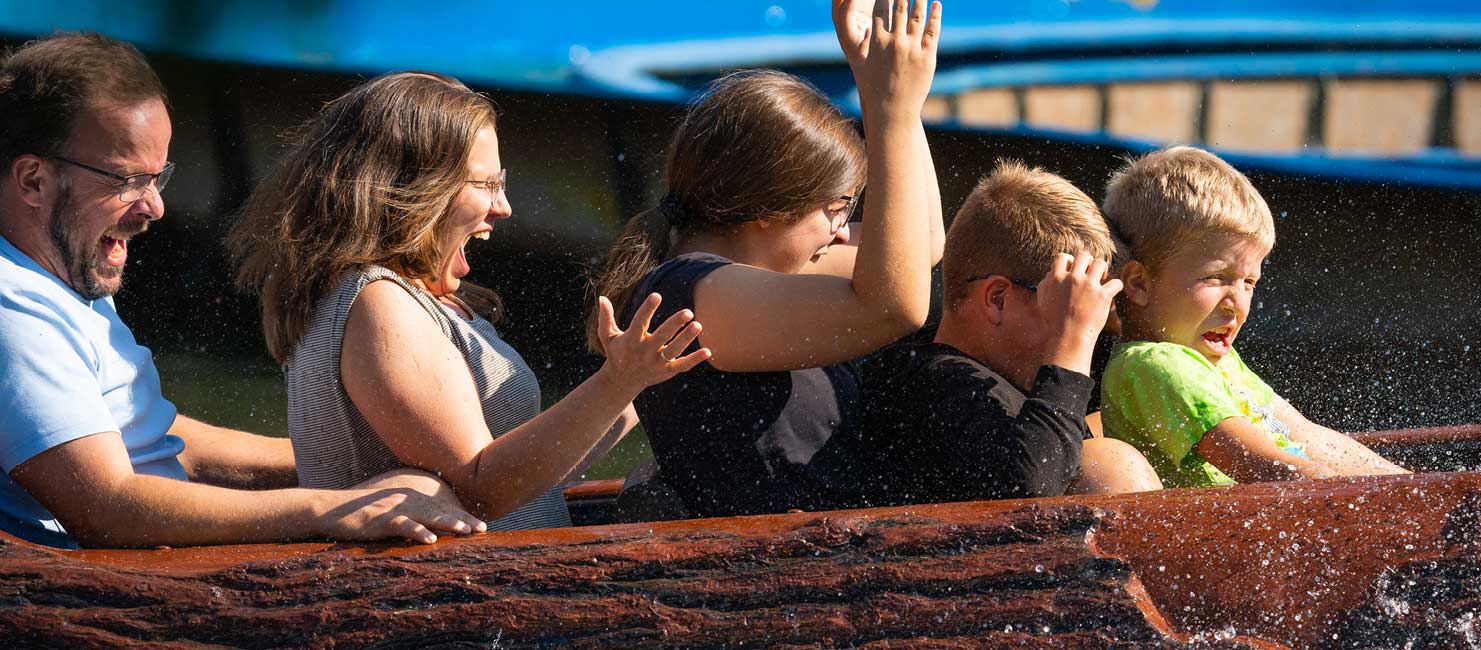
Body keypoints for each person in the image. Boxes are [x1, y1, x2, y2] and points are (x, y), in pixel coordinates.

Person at [0, 32, 485, 549]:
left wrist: (345, 466)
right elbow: (107, 506)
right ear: (33, 181)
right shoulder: (15, 309)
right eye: (127, 181)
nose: (155, 207)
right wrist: (335, 506)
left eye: (157, 177)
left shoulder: (60, 268)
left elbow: (157, 443)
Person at [229, 72, 710, 530]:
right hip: (460, 600)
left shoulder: (407, 296)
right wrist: (616, 382)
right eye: (485, 184)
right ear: (411, 189)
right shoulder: (380, 306)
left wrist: (640, 379)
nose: (504, 207)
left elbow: (530, 477)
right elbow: (483, 486)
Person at [589, 0, 945, 518]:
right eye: (836, 210)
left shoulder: (758, 269)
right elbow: (896, 305)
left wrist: (892, 100)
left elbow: (920, 244)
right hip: (777, 582)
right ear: (765, 209)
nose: (843, 231)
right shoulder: (688, 298)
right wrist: (890, 110)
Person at [1098, 146, 1411, 488]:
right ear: (1139, 283)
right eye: (1216, 278)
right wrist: (1384, 501)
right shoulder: (1154, 366)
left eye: (1248, 282)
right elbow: (1262, 467)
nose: (1237, 304)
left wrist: (1415, 486)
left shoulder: (1214, 359)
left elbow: (1310, 438)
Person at [854, 161, 1162, 507]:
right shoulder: (935, 380)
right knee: (1110, 462)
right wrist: (1071, 341)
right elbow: (1031, 486)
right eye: (1067, 308)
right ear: (997, 299)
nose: (1088, 329)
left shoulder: (987, 380)